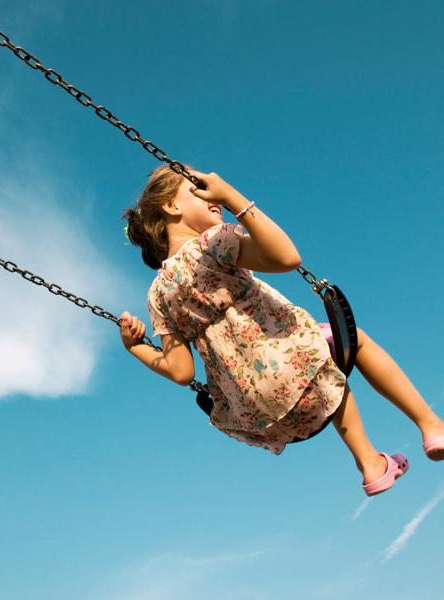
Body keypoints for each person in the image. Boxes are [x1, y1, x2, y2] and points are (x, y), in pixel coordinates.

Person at [120, 165, 444, 496]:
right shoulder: (212, 243)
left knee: (322, 372)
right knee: (351, 343)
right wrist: (232, 196)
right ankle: (431, 426)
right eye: (197, 186)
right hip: (291, 363)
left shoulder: (157, 295)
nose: (209, 191)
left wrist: (136, 347)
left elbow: (180, 371)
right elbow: (287, 257)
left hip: (256, 413)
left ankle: (371, 464)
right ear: (172, 207)